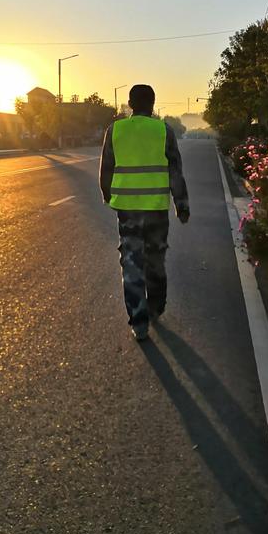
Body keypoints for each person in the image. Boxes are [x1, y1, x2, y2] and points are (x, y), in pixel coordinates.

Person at [100, 84, 189, 341]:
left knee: (131, 263)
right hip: (157, 211)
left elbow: (106, 168)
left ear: (129, 103)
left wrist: (107, 194)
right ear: (152, 103)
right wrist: (181, 205)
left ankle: (138, 323)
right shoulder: (164, 130)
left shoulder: (115, 130)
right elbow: (175, 171)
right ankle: (156, 308)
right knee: (155, 261)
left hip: (127, 211)